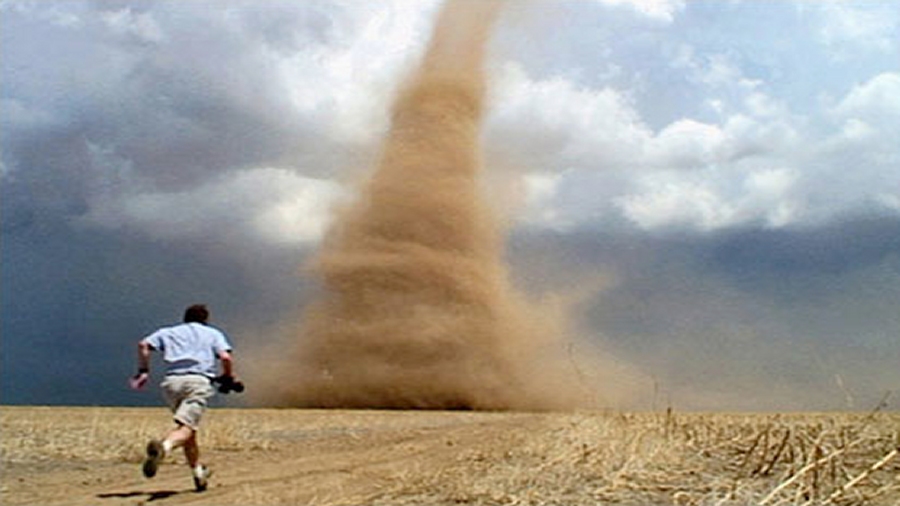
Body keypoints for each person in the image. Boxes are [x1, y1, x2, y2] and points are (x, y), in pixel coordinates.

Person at [129, 304, 237, 492]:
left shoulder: (169, 332)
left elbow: (143, 344)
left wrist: (144, 371)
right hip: (197, 382)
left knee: (188, 430)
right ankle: (165, 447)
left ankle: (198, 472)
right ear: (206, 319)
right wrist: (228, 376)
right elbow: (225, 357)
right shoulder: (212, 334)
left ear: (185, 318)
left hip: (172, 383)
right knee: (187, 428)